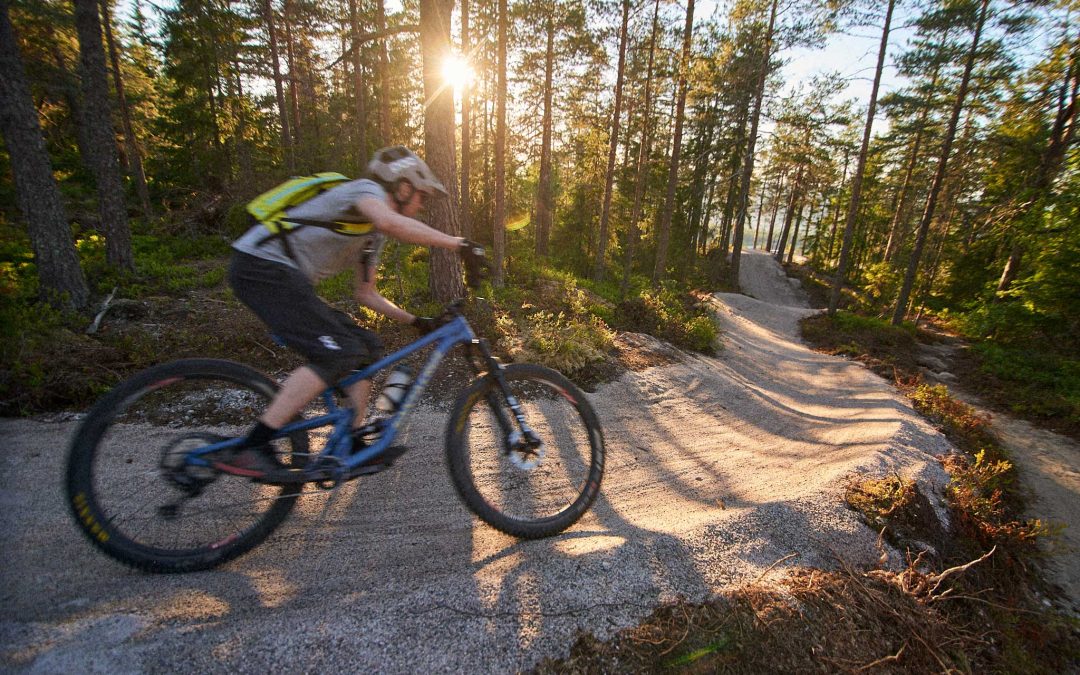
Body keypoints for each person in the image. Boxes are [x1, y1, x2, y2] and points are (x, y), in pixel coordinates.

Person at [213, 146, 485, 480]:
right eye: (422, 197)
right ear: (402, 188)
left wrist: (417, 322)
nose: (422, 206)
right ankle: (252, 447)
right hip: (261, 268)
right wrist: (459, 245)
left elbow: (365, 294)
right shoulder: (366, 191)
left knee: (365, 347)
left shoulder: (372, 233)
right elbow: (391, 221)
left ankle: (350, 443)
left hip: (281, 277)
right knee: (338, 353)